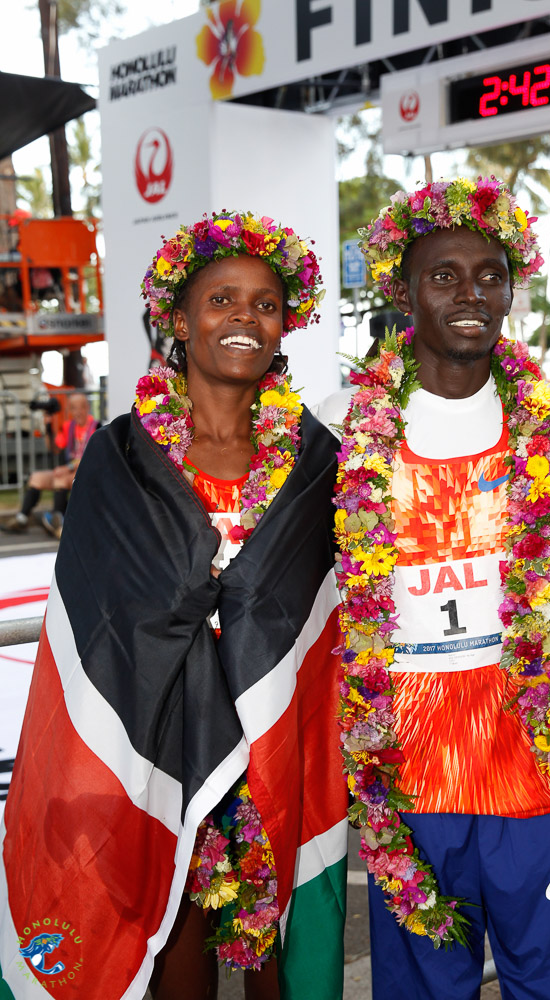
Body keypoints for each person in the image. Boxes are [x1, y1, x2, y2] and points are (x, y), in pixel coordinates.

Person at [315, 177, 550, 1000]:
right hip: (407, 769)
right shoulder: (340, 423)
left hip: (532, 763)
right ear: (401, 290)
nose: (472, 294)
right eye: (445, 276)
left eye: (490, 276)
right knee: (423, 991)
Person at [0, 211, 348, 1000]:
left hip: (277, 734)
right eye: (221, 299)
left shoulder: (315, 457)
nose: (243, 318)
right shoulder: (122, 454)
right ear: (179, 321)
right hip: (159, 736)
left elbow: (327, 597)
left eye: (264, 303)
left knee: (279, 938)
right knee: (171, 928)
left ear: (284, 324)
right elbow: (100, 612)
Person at [1, 391, 99, 539]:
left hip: (86, 473)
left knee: (61, 479)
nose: (78, 412)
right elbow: (54, 448)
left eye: (81, 407)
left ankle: (58, 522)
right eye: (74, 408)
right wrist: (48, 426)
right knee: (36, 478)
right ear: (70, 410)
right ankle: (22, 519)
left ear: (87, 407)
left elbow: (92, 457)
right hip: (68, 472)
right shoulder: (69, 427)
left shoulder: (96, 427)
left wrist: (68, 468)